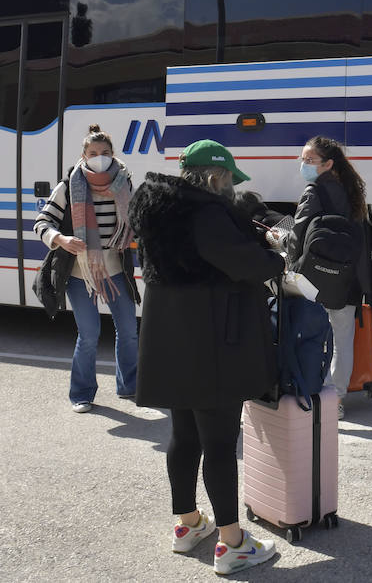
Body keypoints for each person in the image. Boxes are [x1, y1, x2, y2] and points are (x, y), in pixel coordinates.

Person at [128, 139, 287, 575]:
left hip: (171, 340)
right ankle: (233, 544)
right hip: (212, 342)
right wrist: (275, 258)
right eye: (229, 178)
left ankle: (188, 524)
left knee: (184, 436)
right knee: (218, 444)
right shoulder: (206, 213)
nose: (231, 187)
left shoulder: (161, 210)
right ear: (216, 176)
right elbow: (245, 264)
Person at [33, 124, 140, 413]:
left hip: (116, 269)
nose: (99, 157)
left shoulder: (124, 182)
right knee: (89, 334)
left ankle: (130, 386)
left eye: (105, 152)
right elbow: (42, 222)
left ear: (113, 154)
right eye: (93, 153)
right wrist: (61, 239)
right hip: (81, 272)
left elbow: (135, 220)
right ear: (84, 156)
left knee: (129, 331)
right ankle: (81, 394)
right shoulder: (70, 185)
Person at [290, 135, 370, 419]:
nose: (304, 164)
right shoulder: (352, 192)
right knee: (342, 340)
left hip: (315, 278)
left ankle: (311, 392)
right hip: (347, 278)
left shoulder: (313, 192)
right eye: (303, 159)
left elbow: (297, 236)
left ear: (328, 164)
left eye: (309, 160)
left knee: (312, 337)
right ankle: (336, 400)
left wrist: (286, 254)